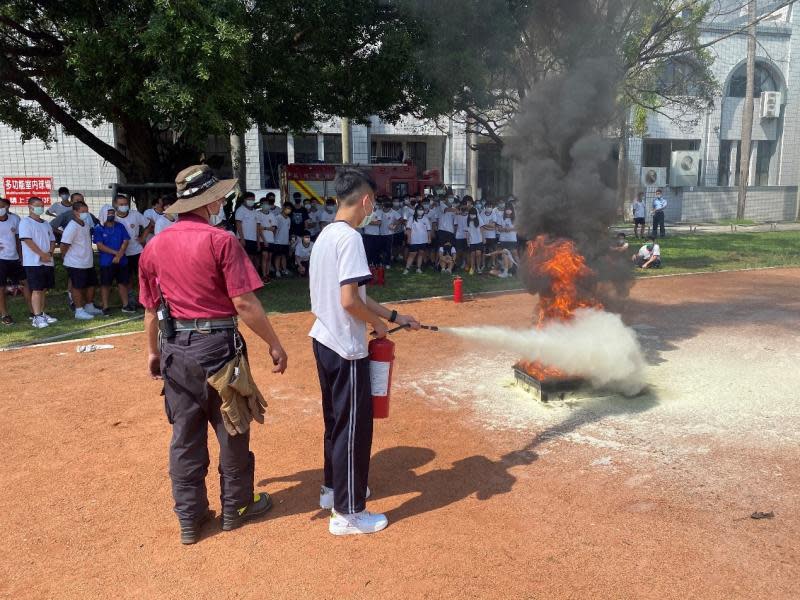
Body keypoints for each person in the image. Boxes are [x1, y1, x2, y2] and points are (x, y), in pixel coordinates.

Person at [138, 164, 288, 544]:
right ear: (209, 201)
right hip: (220, 348)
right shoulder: (221, 241)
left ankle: (190, 517)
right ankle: (236, 507)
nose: (221, 201)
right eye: (217, 196)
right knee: (232, 425)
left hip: (175, 352)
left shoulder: (154, 246)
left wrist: (153, 353)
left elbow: (150, 309)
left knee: (185, 434)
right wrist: (274, 342)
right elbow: (244, 303)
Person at [309, 166, 419, 536]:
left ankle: (332, 489)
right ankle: (349, 511)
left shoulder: (326, 235)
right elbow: (350, 301)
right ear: (366, 200)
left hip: (323, 339)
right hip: (346, 346)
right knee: (354, 427)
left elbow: (360, 296)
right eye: (374, 203)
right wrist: (377, 325)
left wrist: (393, 315)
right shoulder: (352, 239)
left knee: (335, 422)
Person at [60, 201, 103, 320]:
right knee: (77, 286)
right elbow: (64, 244)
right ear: (75, 212)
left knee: (91, 284)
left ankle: (89, 306)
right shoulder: (72, 226)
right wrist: (64, 255)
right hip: (75, 263)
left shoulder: (85, 224)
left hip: (87, 261)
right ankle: (79, 310)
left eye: (86, 211)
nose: (85, 214)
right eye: (82, 212)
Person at [19, 197, 57, 328]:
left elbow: (52, 240)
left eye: (42, 205)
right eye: (37, 205)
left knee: (43, 289)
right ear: (30, 207)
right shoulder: (25, 222)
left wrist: (50, 254)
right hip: (33, 262)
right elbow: (28, 241)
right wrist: (42, 255)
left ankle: (41, 313)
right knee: (36, 289)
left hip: (47, 261)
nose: (41, 207)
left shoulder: (46, 223)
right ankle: (36, 317)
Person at [114, 194, 151, 311]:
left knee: (142, 277)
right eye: (121, 204)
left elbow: (149, 225)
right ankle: (131, 301)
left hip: (137, 251)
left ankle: (144, 300)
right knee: (126, 278)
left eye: (125, 204)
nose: (124, 206)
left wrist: (142, 238)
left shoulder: (135, 214)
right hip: (122, 253)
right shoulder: (113, 217)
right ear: (115, 205)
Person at [93, 205, 132, 315]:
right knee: (105, 284)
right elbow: (100, 245)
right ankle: (105, 307)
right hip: (106, 262)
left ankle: (126, 305)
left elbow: (126, 240)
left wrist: (120, 255)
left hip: (122, 261)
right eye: (109, 213)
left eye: (112, 213)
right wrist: (116, 253)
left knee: (122, 283)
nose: (111, 215)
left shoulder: (120, 226)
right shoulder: (98, 228)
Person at [0, 197, 33, 325]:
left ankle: (33, 311)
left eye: (3, 206)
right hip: (1, 260)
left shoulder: (14, 218)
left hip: (14, 258)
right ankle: (4, 315)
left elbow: (18, 239)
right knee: (1, 287)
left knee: (25, 283)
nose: (1, 209)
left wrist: (21, 256)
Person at [234, 191, 261, 271]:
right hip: (244, 239)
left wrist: (258, 242)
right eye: (249, 199)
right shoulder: (240, 210)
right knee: (244, 259)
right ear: (245, 200)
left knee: (253, 258)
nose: (251, 201)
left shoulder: (256, 212)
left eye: (253, 199)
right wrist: (242, 239)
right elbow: (238, 224)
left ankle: (251, 277)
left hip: (253, 239)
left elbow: (257, 228)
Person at [404, 204, 431, 274]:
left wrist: (429, 238)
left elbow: (428, 230)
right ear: (416, 211)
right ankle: (407, 268)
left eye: (422, 210)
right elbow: (408, 229)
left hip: (423, 240)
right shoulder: (411, 218)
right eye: (419, 210)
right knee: (412, 254)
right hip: (414, 240)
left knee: (421, 254)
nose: (421, 211)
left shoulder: (426, 218)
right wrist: (409, 238)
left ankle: (418, 268)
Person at [256, 199, 276, 283]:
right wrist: (264, 240)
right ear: (261, 204)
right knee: (264, 256)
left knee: (269, 257)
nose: (266, 205)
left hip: (271, 239)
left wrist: (265, 228)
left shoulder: (272, 215)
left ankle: (267, 274)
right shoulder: (258, 214)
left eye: (267, 204)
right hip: (262, 240)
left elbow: (274, 228)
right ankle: (263, 275)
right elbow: (259, 228)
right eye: (264, 204)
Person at [378, 200, 400, 268]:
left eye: (388, 208)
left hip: (389, 234)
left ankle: (387, 263)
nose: (386, 209)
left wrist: (394, 224)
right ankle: (381, 262)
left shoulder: (393, 212)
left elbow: (400, 219)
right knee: (381, 249)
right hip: (380, 233)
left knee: (388, 249)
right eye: (385, 207)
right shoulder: (379, 211)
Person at [272, 203, 292, 277]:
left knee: (284, 256)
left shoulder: (289, 219)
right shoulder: (278, 217)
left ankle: (284, 270)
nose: (288, 210)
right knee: (278, 256)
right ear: (283, 208)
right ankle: (277, 271)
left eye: (290, 209)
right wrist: (273, 239)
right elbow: (274, 229)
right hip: (277, 241)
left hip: (285, 241)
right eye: (287, 208)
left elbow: (288, 230)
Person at [497, 202, 520, 267]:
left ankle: (519, 268)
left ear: (512, 210)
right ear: (505, 210)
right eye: (507, 209)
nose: (508, 210)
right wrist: (503, 229)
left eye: (510, 209)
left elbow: (518, 228)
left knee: (515, 254)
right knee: (504, 254)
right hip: (503, 239)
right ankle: (506, 269)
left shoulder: (515, 218)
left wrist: (510, 229)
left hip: (512, 239)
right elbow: (498, 228)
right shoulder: (501, 217)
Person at [465, 208, 483, 275]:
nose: (472, 215)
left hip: (479, 240)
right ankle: (472, 268)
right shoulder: (467, 221)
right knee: (472, 255)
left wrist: (483, 239)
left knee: (478, 254)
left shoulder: (479, 220)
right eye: (471, 214)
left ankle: (478, 267)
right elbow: (467, 232)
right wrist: (467, 241)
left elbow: (482, 230)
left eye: (474, 214)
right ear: (469, 214)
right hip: (471, 241)